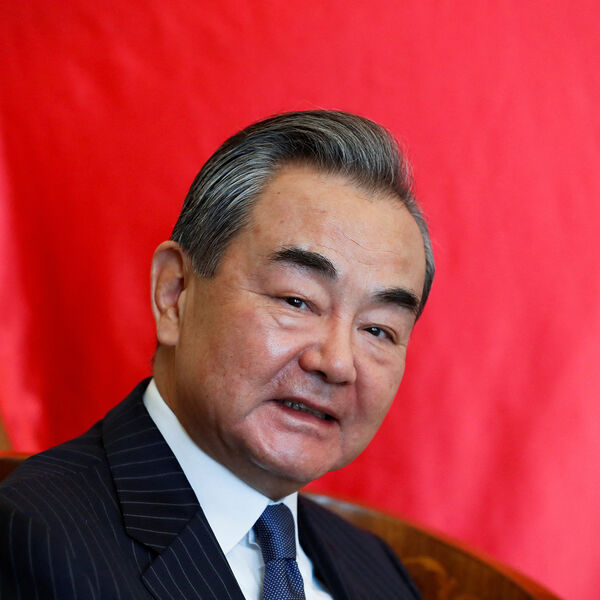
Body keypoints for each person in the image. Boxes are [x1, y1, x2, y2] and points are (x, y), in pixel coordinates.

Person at [0, 110, 434, 599]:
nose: (336, 363)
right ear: (175, 293)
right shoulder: (31, 537)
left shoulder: (379, 572)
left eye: (378, 329)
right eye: (296, 301)